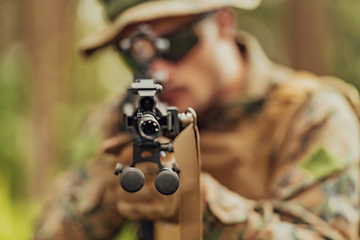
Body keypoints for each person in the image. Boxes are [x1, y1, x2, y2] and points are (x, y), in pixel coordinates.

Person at [34, 0, 360, 239]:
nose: (159, 70)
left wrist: (204, 206)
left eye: (177, 44)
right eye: (135, 53)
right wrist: (106, 194)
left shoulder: (310, 114)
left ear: (223, 23)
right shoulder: (119, 118)